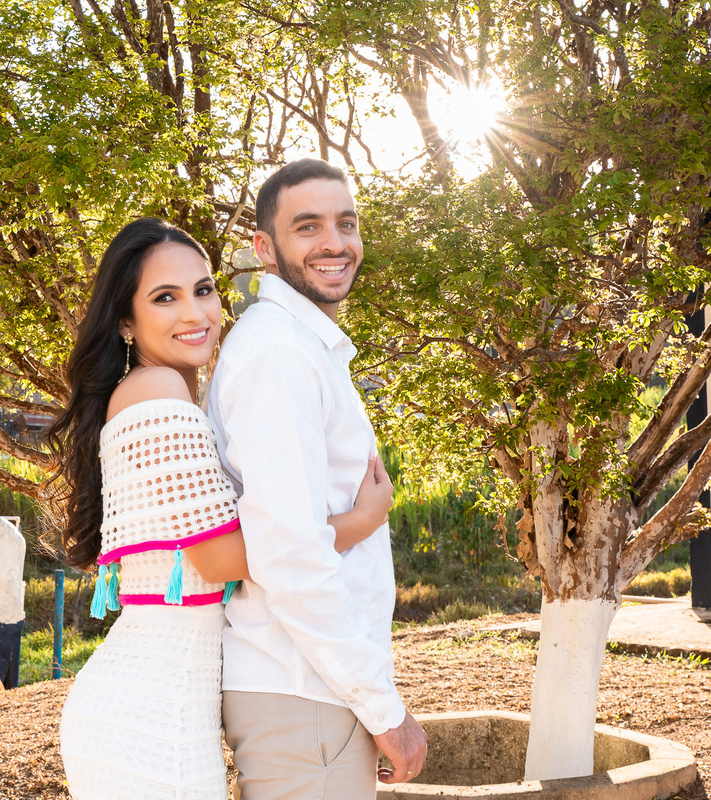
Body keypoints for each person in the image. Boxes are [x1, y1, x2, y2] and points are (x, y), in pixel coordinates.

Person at [48, 217, 394, 800]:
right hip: (152, 715)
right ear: (126, 322)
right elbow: (218, 558)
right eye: (166, 297)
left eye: (203, 290)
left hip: (167, 700)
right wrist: (360, 521)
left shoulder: (168, 392)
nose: (195, 313)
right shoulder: (156, 393)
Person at [207, 159, 428, 800]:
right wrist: (383, 709)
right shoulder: (279, 352)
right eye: (308, 226)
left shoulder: (301, 344)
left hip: (308, 687)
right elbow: (290, 552)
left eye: (346, 223)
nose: (334, 242)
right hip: (300, 686)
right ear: (265, 249)